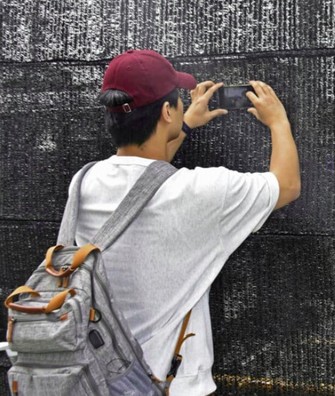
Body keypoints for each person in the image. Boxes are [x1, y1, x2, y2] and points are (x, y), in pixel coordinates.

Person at [70, 49, 300, 395]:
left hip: (98, 375)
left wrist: (184, 125)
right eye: (177, 101)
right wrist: (279, 121)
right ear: (166, 111)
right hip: (167, 383)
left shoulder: (84, 181)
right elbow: (286, 186)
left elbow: (147, 180)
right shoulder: (197, 192)